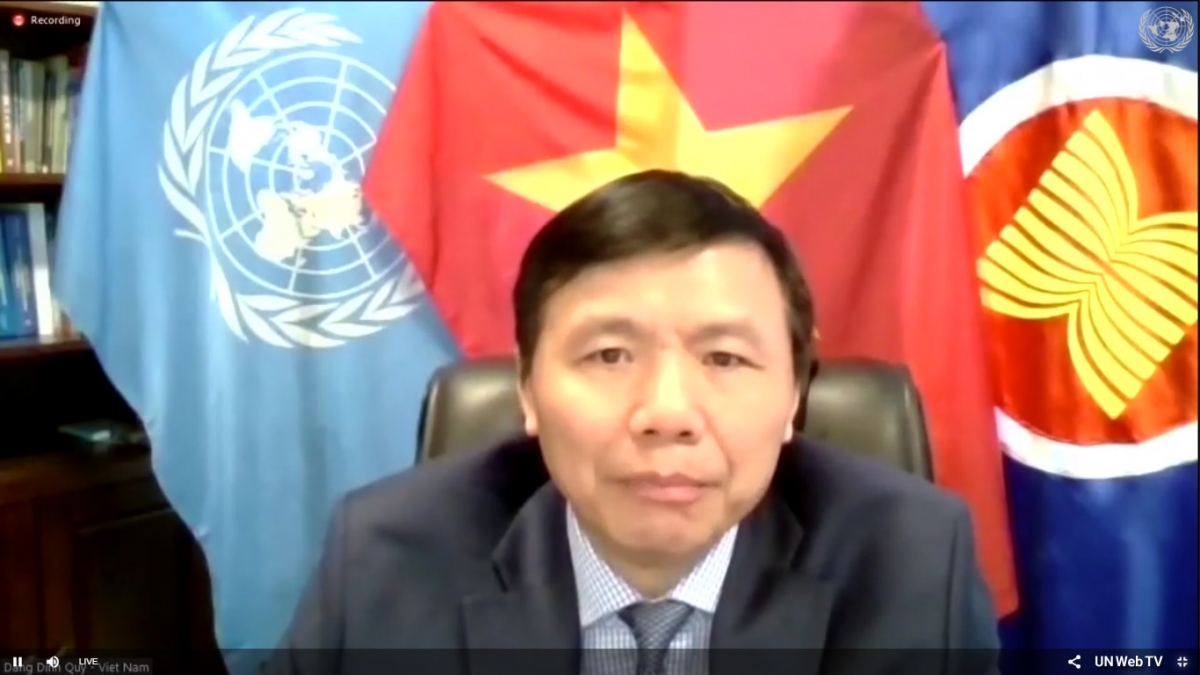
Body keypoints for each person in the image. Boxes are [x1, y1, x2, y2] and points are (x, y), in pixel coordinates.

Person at [266, 170, 1000, 675]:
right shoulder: (387, 558)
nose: (667, 413)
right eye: (610, 355)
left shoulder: (908, 561)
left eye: (724, 358)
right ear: (526, 387)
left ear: (794, 395)